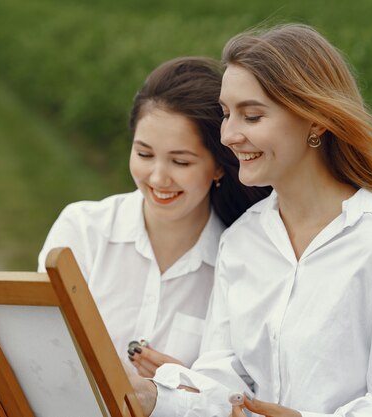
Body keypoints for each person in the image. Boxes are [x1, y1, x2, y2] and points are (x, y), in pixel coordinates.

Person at [132, 23, 372, 417]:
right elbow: (225, 382)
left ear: (315, 121)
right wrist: (155, 396)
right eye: (226, 114)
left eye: (251, 116)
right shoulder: (243, 241)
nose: (228, 135)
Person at [37, 57, 270, 377]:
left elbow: (239, 390)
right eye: (144, 154)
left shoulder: (239, 261)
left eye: (181, 162)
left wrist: (189, 387)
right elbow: (41, 353)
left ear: (218, 166)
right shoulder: (83, 229)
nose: (158, 178)